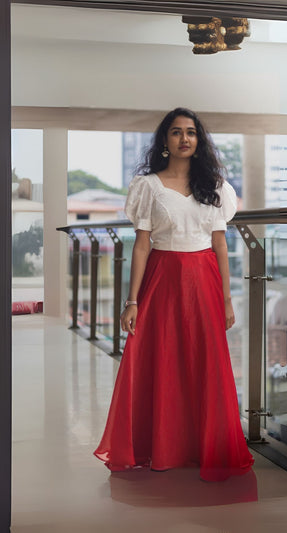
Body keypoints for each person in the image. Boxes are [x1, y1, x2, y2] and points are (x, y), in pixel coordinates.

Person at [94, 108, 254, 482]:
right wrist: (131, 301)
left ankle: (204, 447)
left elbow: (219, 245)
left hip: (204, 281)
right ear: (164, 141)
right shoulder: (147, 186)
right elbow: (142, 246)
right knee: (160, 361)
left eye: (192, 132)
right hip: (162, 280)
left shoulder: (214, 186)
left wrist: (227, 299)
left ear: (199, 141)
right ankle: (160, 448)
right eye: (177, 132)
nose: (185, 138)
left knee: (204, 363)